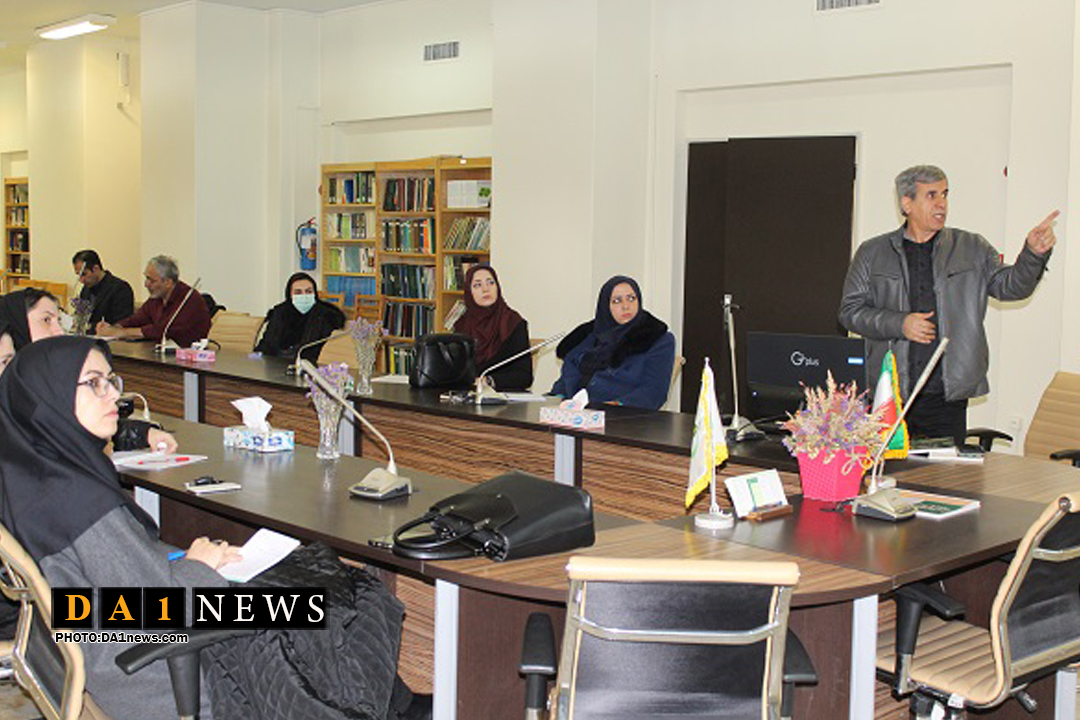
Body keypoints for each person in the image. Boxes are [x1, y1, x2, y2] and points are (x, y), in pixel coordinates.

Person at [0, 336, 242, 720]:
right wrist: (199, 566)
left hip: (107, 650)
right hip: (153, 675)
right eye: (94, 383)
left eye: (111, 380)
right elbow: (157, 611)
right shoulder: (79, 503)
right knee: (318, 611)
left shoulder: (30, 475)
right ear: (49, 397)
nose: (114, 395)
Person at [839, 165, 1058, 444]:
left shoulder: (972, 247)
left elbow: (1011, 287)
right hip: (888, 393)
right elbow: (850, 312)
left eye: (945, 194)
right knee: (885, 467)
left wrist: (1033, 255)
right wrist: (900, 323)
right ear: (907, 203)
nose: (942, 203)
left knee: (943, 472)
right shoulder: (872, 252)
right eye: (931, 195)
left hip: (946, 396)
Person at [0, 287, 176, 453]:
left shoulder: (40, 377)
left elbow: (75, 426)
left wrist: (144, 433)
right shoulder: (13, 387)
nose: (59, 331)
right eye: (46, 320)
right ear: (18, 323)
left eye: (59, 321)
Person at [551, 275, 675, 410]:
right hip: (572, 412)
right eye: (617, 301)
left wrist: (616, 406)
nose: (626, 306)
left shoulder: (658, 339)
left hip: (622, 416)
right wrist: (555, 399)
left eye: (631, 298)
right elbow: (566, 379)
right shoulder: (590, 335)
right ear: (605, 306)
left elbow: (654, 392)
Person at [96, 255, 211, 348]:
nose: (146, 284)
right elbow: (136, 320)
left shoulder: (189, 299)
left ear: (168, 283)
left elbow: (164, 331)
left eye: (151, 280)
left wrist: (122, 333)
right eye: (146, 278)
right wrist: (113, 328)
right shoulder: (156, 298)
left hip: (188, 359)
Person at [454, 264, 533, 390]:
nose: (485, 289)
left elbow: (524, 376)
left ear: (497, 287)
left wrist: (489, 381)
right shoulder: (461, 325)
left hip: (503, 396)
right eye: (477, 285)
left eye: (490, 283)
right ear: (469, 292)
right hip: (468, 394)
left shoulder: (513, 322)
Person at [255, 271, 346, 362]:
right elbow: (265, 345)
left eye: (308, 291)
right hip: (275, 365)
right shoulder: (279, 312)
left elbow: (327, 353)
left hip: (310, 366)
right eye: (298, 292)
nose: (304, 296)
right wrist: (253, 359)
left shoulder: (326, 315)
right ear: (289, 295)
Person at [72, 249, 136, 327]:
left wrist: (90, 326)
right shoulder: (86, 289)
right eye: (78, 275)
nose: (81, 280)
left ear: (95, 269)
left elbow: (122, 324)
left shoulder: (120, 289)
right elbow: (81, 317)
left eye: (84, 274)